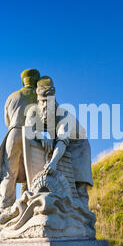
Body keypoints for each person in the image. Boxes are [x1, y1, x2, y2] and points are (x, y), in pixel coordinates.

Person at [31, 76, 93, 207]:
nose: (45, 106)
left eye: (48, 102)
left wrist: (53, 162)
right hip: (61, 146)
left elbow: (62, 141)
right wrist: (41, 137)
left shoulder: (64, 115)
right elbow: (28, 130)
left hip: (78, 147)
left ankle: (82, 221)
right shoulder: (34, 111)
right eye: (42, 102)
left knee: (79, 186)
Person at [0, 68, 40, 209]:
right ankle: (33, 203)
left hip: (13, 133)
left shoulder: (12, 96)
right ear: (36, 80)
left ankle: (4, 207)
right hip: (33, 135)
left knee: (9, 172)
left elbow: (7, 121)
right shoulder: (39, 95)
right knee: (35, 172)